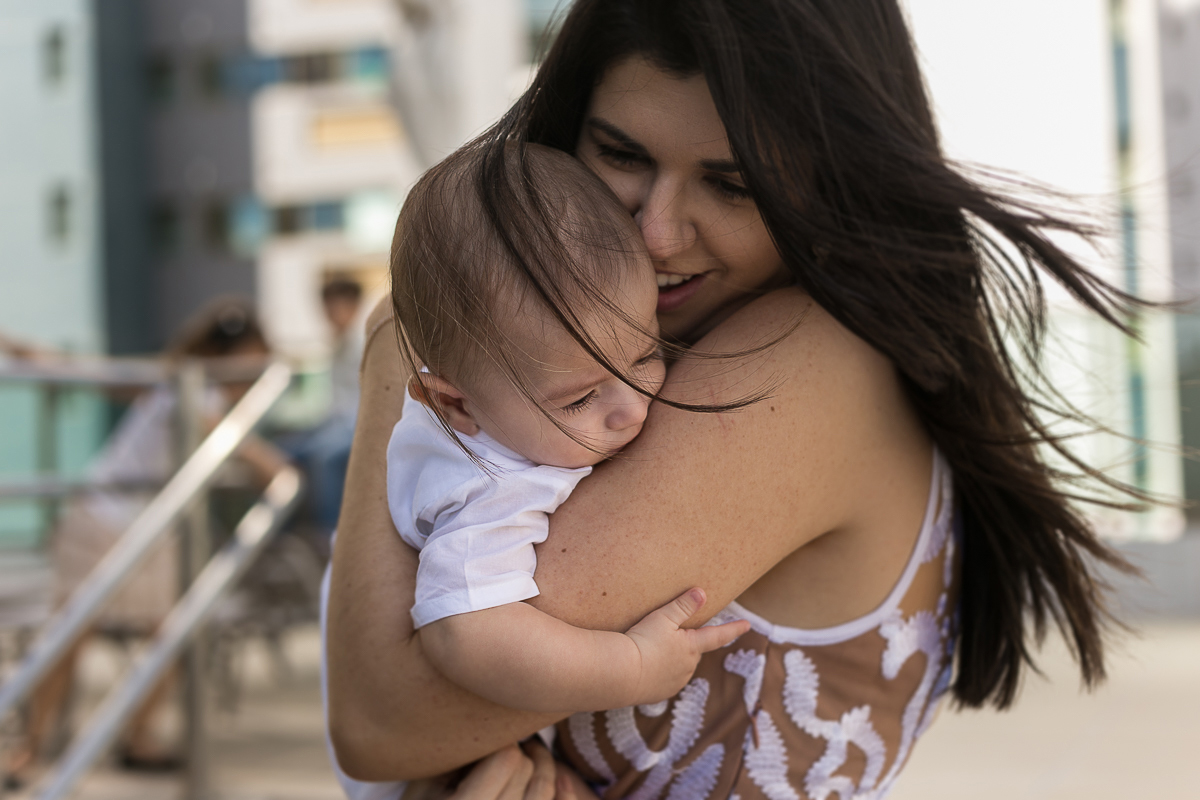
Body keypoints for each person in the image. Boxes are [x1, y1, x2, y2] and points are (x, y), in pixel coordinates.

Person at [325, 1, 1141, 798]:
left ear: (833, 183)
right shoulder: (635, 360)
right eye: (621, 154)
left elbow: (379, 723)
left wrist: (398, 340)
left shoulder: (804, 363)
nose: (657, 233)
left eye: (731, 184)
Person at [387, 141, 748, 716]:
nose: (631, 408)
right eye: (580, 399)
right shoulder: (489, 487)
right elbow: (463, 632)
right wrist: (632, 668)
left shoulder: (509, 391)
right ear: (455, 407)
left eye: (646, 354)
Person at [4, 299, 287, 786]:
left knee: (162, 632)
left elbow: (90, 373)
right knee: (87, 636)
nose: (250, 375)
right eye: (249, 362)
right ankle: (43, 748)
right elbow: (236, 443)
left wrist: (23, 349)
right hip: (111, 521)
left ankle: (109, 738)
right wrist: (282, 473)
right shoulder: (196, 390)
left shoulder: (173, 379)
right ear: (229, 355)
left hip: (120, 519)